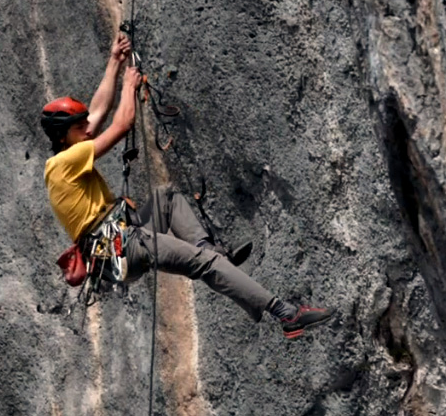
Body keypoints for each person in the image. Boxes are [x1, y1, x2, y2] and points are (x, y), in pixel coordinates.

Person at [41, 33, 332, 338]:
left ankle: (211, 252)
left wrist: (115, 61)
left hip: (119, 242)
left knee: (166, 199)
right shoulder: (64, 163)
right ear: (63, 136)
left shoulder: (67, 156)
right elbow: (121, 124)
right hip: (122, 246)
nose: (87, 129)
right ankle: (287, 314)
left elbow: (98, 110)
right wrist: (129, 86)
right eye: (79, 127)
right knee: (204, 265)